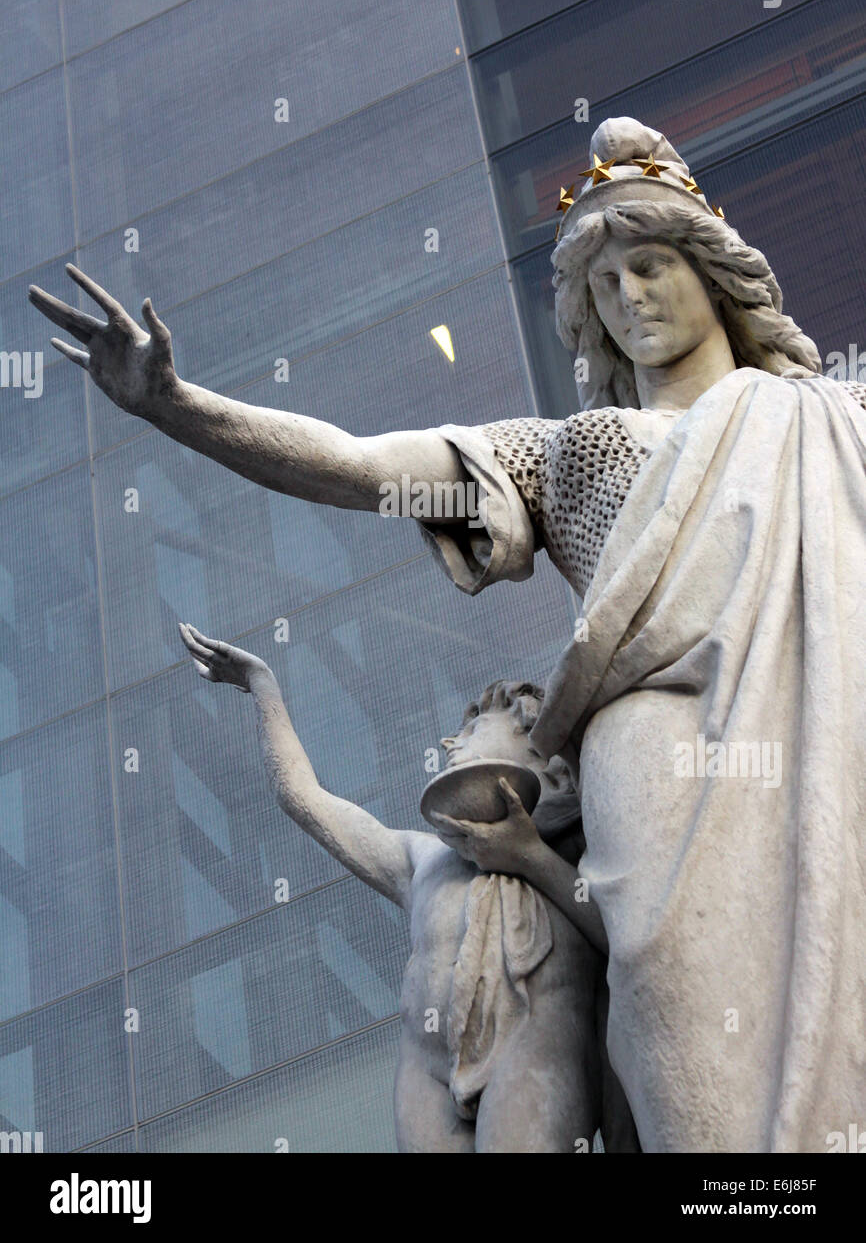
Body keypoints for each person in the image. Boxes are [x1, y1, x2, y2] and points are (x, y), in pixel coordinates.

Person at [30, 116, 866, 1151]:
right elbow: (362, 466)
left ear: (713, 270)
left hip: (825, 738)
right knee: (679, 1020)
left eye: (650, 266)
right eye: (605, 288)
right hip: (651, 774)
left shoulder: (835, 420)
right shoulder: (565, 452)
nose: (631, 299)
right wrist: (177, 407)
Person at [177, 622, 637, 1153]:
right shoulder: (423, 860)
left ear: (547, 766)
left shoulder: (580, 859)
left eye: (470, 731)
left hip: (537, 1050)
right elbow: (303, 797)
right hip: (426, 1069)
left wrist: (527, 856)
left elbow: (631, 947)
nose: (448, 741)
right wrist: (264, 690)